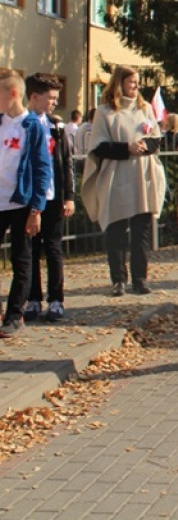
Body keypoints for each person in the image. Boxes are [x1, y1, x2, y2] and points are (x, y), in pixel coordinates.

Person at [81, 66, 167, 297]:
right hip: (117, 175)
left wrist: (145, 146)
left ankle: (140, 279)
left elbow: (156, 138)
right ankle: (118, 279)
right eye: (132, 82)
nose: (136, 86)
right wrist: (126, 148)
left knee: (141, 232)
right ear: (120, 83)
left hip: (142, 174)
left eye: (137, 82)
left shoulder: (145, 108)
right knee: (116, 230)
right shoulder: (105, 112)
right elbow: (99, 146)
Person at [0, 69, 51, 338]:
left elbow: (42, 169)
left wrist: (36, 210)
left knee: (21, 259)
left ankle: (14, 315)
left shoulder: (32, 126)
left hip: (21, 202)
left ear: (13, 94)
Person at [25, 74, 74, 323]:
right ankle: (33, 298)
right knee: (30, 250)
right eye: (51, 98)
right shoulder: (23, 124)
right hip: (28, 198)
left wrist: (69, 196)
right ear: (34, 97)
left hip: (53, 197)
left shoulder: (56, 126)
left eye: (56, 98)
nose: (54, 102)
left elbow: (66, 162)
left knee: (53, 248)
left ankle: (56, 299)